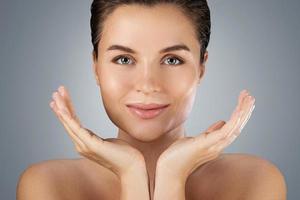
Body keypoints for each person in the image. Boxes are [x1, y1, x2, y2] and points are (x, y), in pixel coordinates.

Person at [16, 1, 287, 199]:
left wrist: (171, 174)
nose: (147, 85)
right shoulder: (48, 186)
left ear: (202, 67)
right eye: (124, 59)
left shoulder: (254, 182)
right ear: (96, 66)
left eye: (172, 60)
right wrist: (131, 172)